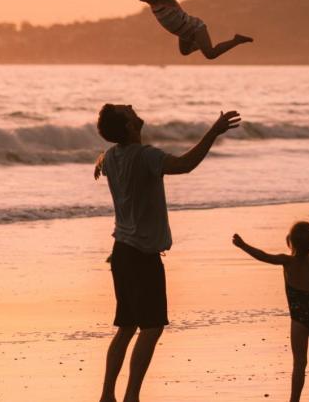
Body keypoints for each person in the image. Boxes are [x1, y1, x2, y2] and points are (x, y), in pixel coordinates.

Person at [94, 104, 241, 402]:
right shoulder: (146, 156)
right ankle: (132, 396)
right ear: (129, 127)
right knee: (151, 326)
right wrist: (213, 133)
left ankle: (107, 395)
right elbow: (185, 164)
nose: (133, 108)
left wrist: (99, 159)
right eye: (128, 111)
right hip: (141, 255)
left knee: (126, 326)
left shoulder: (110, 157)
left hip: (121, 251)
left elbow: (106, 157)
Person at [231, 222, 309, 402]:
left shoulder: (287, 261)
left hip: (299, 318)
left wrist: (243, 246)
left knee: (299, 364)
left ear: (291, 241)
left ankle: (294, 400)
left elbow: (263, 256)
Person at [108, 0, 253, 59]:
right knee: (184, 52)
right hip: (183, 33)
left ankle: (236, 40)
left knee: (210, 54)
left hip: (195, 28)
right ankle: (200, 43)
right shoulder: (150, 1)